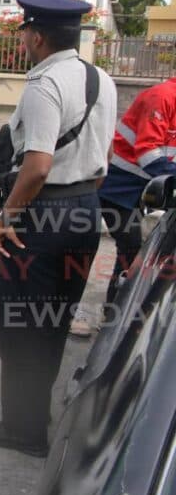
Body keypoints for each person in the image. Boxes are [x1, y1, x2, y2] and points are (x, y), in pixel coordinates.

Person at [0, 0, 117, 457]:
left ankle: (23, 429)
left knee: (19, 326)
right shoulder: (102, 80)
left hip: (41, 216)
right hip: (84, 211)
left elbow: (36, 167)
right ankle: (36, 414)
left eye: (23, 32)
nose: (23, 39)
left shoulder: (44, 84)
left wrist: (6, 220)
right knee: (52, 320)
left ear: (37, 36)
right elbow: (102, 166)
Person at [83, 79, 176, 324]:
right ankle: (111, 316)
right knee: (131, 248)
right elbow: (148, 154)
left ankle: (114, 312)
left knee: (133, 249)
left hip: (136, 191)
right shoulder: (163, 96)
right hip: (114, 188)